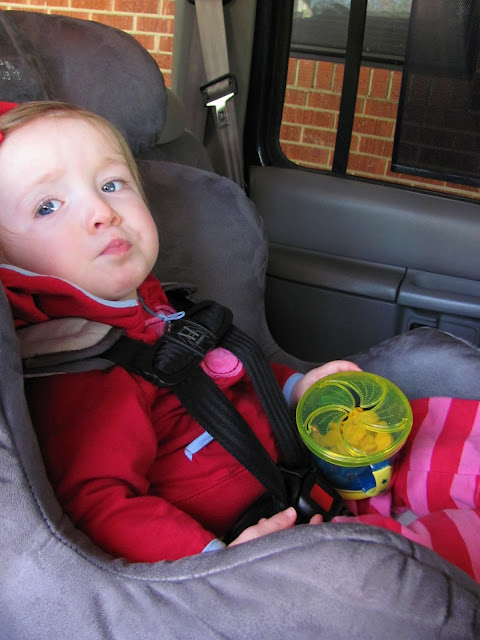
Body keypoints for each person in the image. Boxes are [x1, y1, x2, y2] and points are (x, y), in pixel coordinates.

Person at [0, 101, 478, 582]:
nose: (102, 211)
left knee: (450, 430)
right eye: (47, 206)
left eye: (111, 184)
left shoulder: (160, 308)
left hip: (304, 476)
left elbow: (234, 375)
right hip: (255, 548)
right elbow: (101, 505)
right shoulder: (82, 373)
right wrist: (217, 563)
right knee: (446, 560)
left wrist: (297, 388)